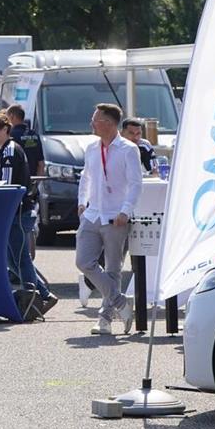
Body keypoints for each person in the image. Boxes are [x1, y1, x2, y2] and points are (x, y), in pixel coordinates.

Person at [76, 103, 142, 335]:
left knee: (113, 268)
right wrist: (81, 202)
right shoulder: (92, 148)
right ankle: (120, 301)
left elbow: (135, 183)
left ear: (109, 124)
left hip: (116, 216)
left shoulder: (128, 149)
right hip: (93, 213)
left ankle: (104, 318)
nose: (92, 123)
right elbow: (86, 176)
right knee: (84, 262)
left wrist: (125, 210)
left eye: (96, 119)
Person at [0, 112, 57, 316]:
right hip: (18, 209)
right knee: (13, 258)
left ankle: (35, 297)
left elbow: (6, 187)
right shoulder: (8, 149)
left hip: (15, 211)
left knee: (19, 258)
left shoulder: (9, 151)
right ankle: (42, 294)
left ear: (5, 129)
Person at [6, 105, 45, 256]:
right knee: (30, 217)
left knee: (18, 222)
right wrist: (37, 183)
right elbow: (41, 163)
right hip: (33, 183)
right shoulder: (34, 135)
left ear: (13, 117)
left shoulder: (11, 136)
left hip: (17, 184)